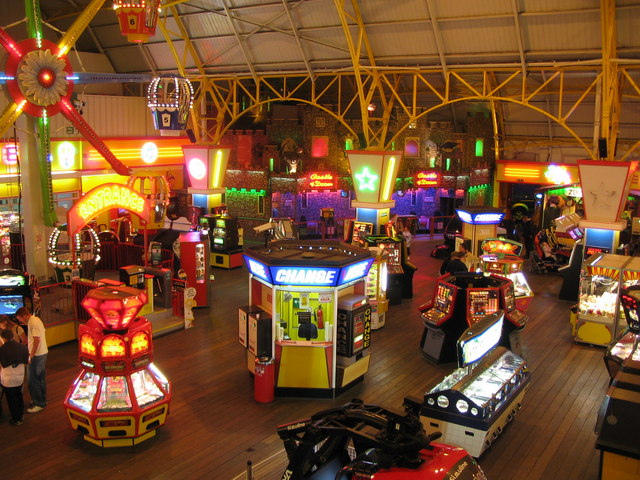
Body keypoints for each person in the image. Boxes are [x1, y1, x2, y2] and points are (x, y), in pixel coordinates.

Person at [15, 307, 48, 413]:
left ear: (24, 315)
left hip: (37, 355)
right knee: (40, 379)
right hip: (42, 353)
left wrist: (31, 355)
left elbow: (36, 340)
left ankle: (39, 403)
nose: (20, 321)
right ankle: (42, 400)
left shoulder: (32, 323)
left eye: (20, 319)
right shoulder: (36, 320)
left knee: (32, 380)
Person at [0, 329, 29, 425]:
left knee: (11, 400)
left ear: (3, 338)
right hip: (20, 376)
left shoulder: (2, 350)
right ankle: (21, 414)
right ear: (13, 336)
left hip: (8, 379)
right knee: (19, 396)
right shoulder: (22, 347)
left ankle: (16, 419)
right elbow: (27, 361)